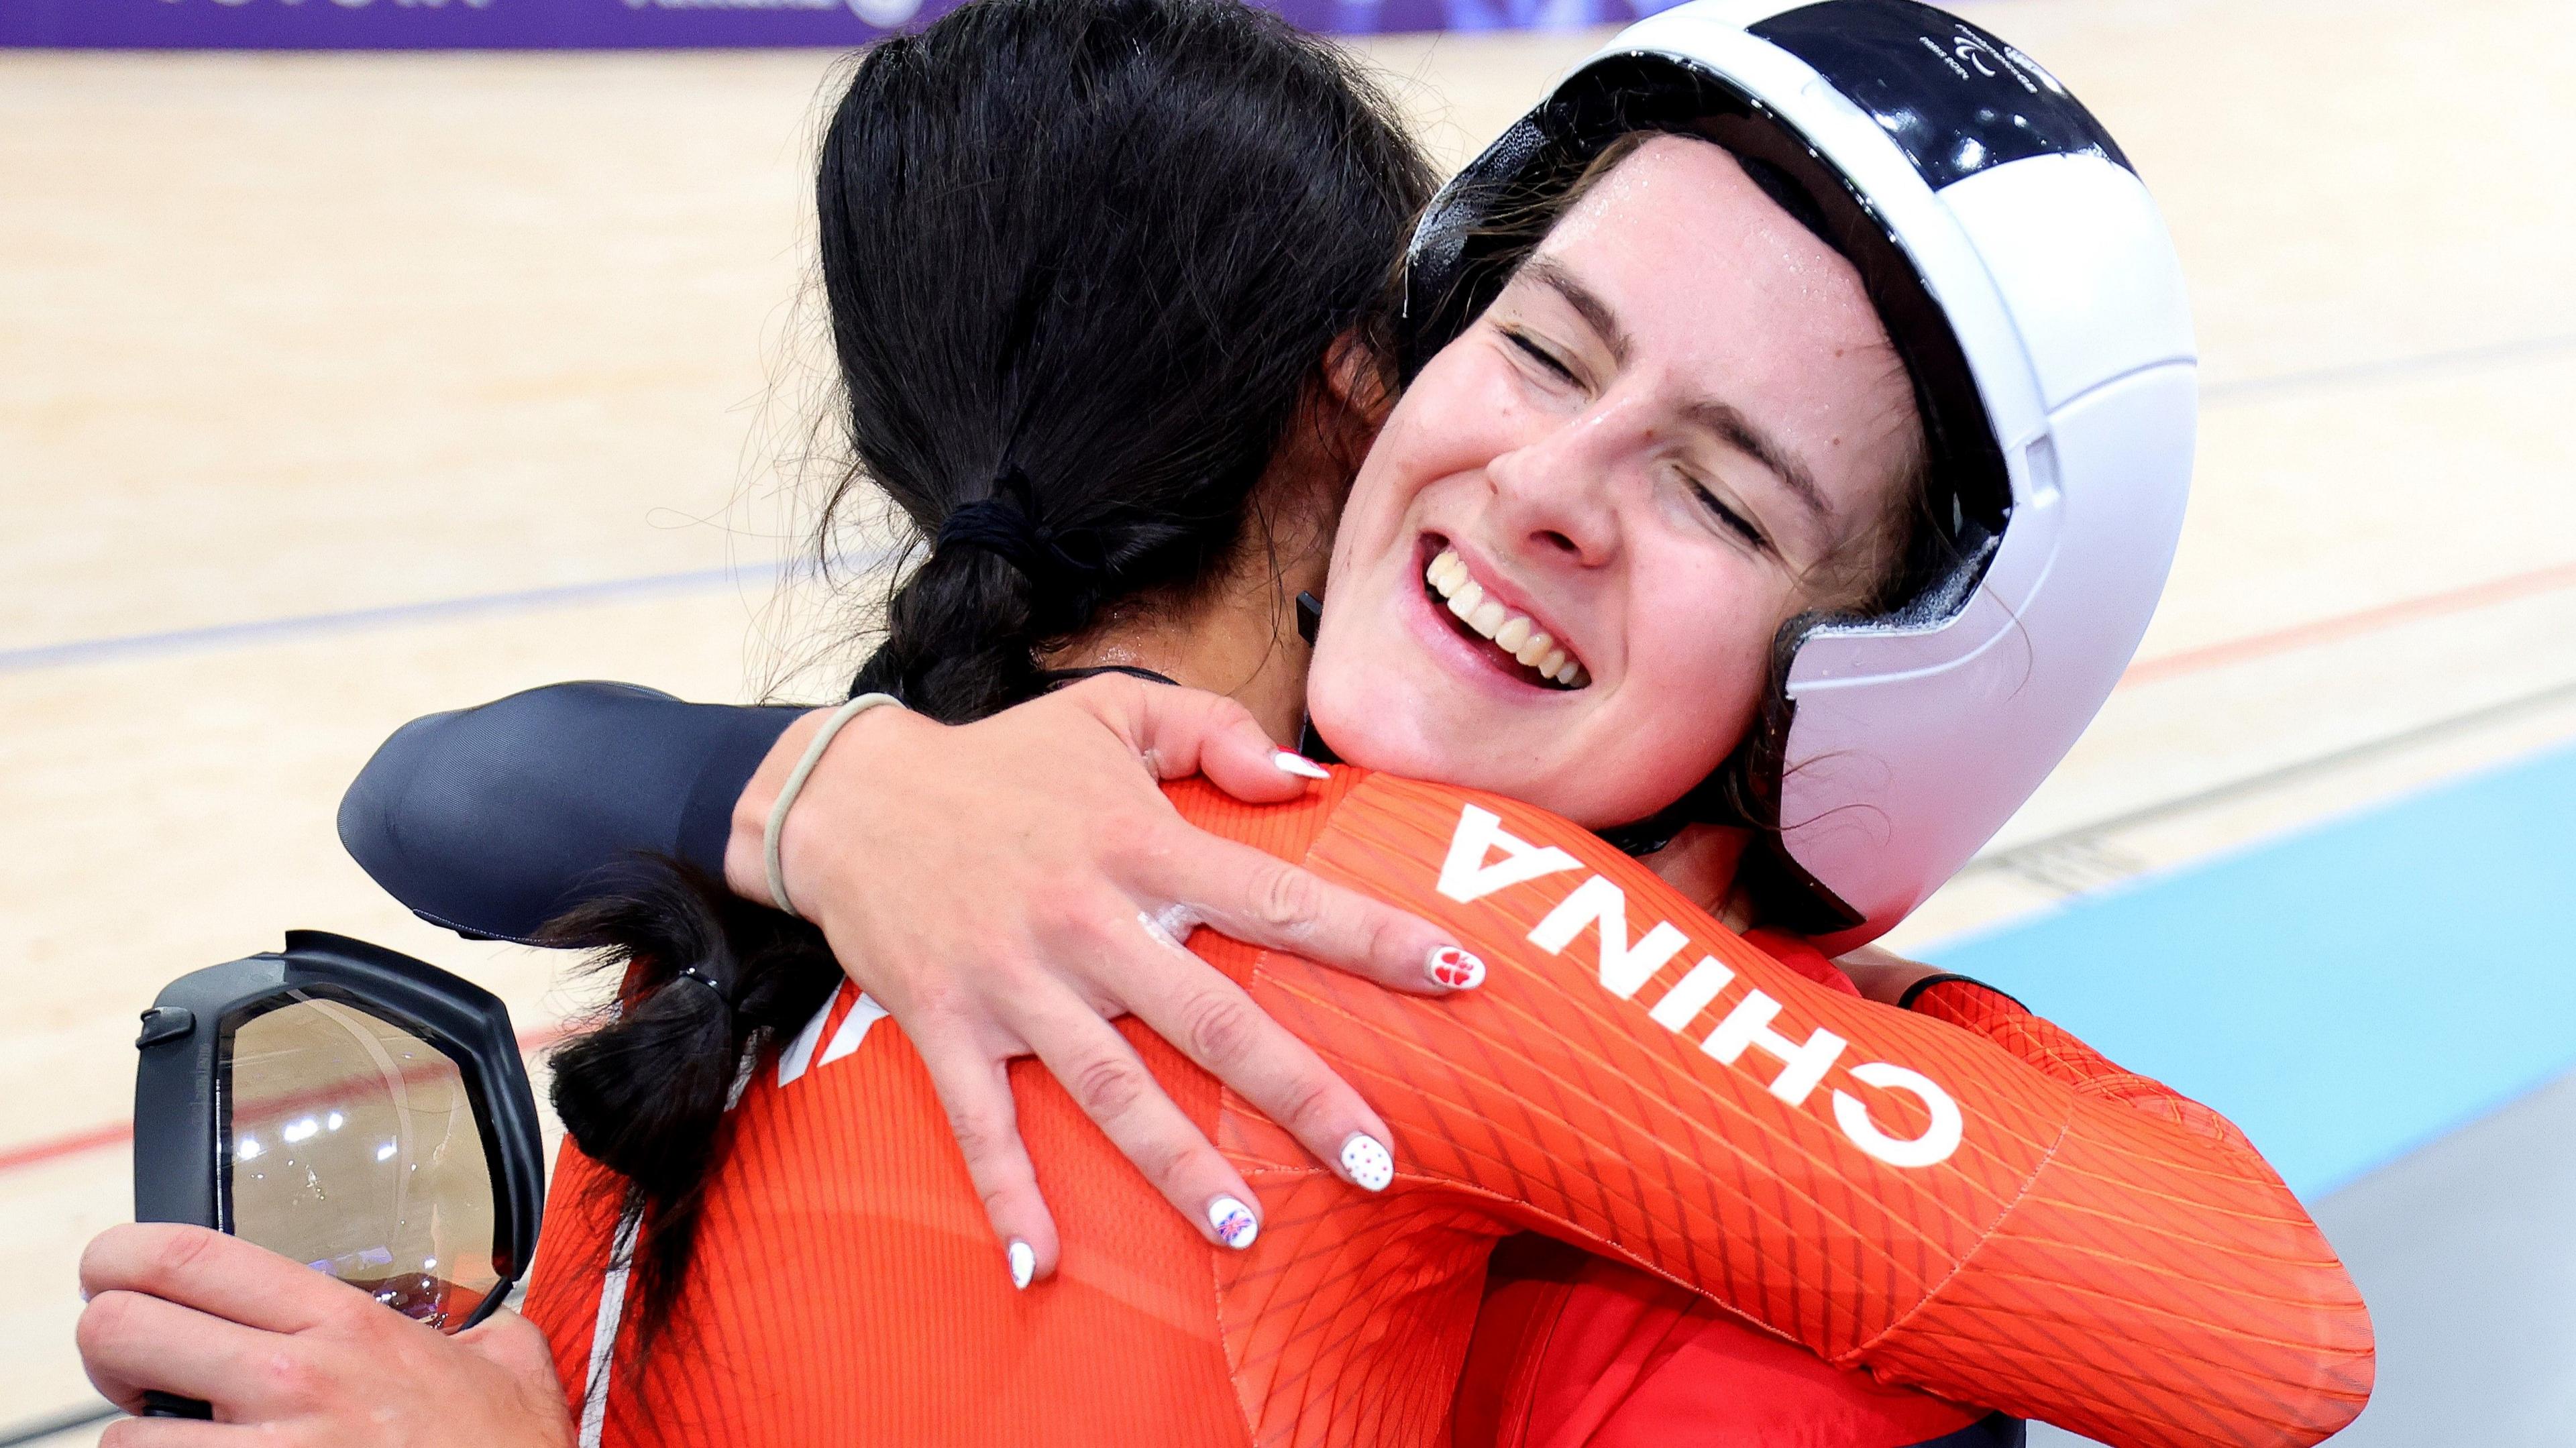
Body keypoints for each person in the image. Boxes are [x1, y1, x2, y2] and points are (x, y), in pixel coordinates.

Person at [75, 3, 2372, 1445]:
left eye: (1717, 483)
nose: (1554, 490)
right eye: (1543, 354)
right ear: (1344, 394)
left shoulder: (772, 900)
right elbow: (2274, 1344)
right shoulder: (1406, 916)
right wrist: (1842, 996)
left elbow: (438, 794)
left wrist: (803, 786)